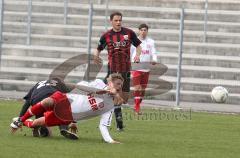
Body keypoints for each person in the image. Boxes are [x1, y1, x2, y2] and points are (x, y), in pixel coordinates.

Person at [11, 73, 124, 144]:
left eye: (121, 85)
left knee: (37, 123)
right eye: (117, 84)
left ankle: (22, 121)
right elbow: (79, 85)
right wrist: (100, 91)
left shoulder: (109, 106)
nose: (119, 87)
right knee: (47, 101)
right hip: (66, 100)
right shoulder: (98, 83)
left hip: (68, 116)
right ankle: (21, 119)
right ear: (109, 82)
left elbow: (103, 125)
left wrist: (110, 140)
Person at [94, 11, 142, 131]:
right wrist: (96, 57)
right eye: (116, 20)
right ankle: (119, 124)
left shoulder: (129, 33)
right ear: (111, 21)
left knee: (123, 99)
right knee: (115, 96)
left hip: (126, 70)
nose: (118, 22)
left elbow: (139, 46)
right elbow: (98, 48)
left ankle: (117, 117)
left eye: (120, 20)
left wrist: (137, 55)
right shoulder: (106, 35)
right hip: (113, 71)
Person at [12, 78, 77, 138]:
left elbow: (27, 103)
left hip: (37, 100)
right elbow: (69, 100)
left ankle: (39, 129)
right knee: (61, 115)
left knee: (40, 123)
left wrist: (20, 118)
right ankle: (63, 128)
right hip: (51, 98)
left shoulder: (38, 84)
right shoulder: (60, 84)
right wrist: (73, 121)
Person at [131, 24, 157, 114]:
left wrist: (154, 59)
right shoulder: (134, 41)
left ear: (147, 31)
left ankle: (136, 105)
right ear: (139, 31)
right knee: (137, 88)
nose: (143, 31)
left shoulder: (151, 42)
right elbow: (130, 53)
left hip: (146, 69)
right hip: (136, 67)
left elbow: (153, 52)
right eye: (141, 30)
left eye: (145, 30)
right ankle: (137, 108)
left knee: (142, 90)